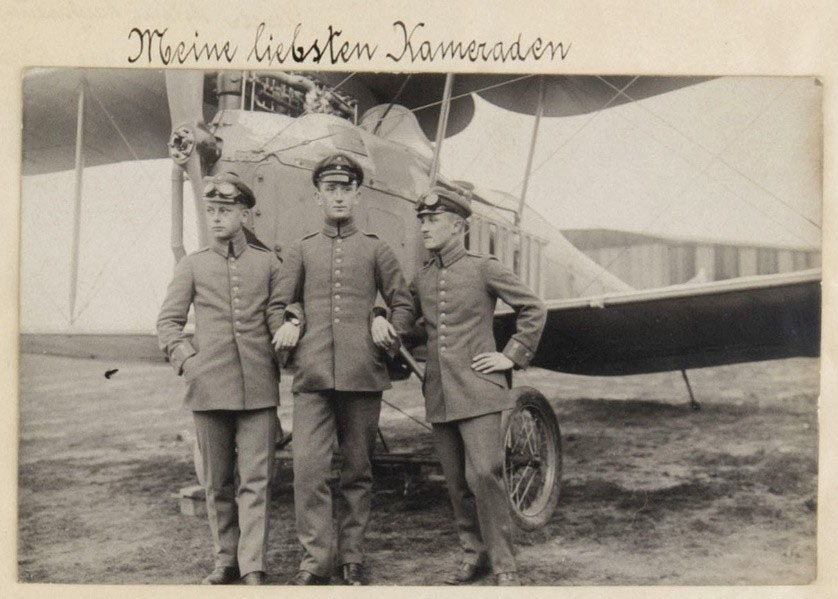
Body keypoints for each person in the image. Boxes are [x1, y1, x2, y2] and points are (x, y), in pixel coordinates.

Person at [272, 153, 413, 585]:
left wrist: (388, 321)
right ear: (318, 196)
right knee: (308, 470)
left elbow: (404, 303)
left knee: (357, 472)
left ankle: (352, 558)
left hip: (362, 375)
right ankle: (315, 561)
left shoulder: (375, 248)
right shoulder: (301, 249)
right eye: (329, 189)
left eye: (345, 188)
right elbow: (277, 305)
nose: (337, 196)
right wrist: (288, 323)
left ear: (357, 193)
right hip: (313, 379)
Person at [157, 172, 296, 585]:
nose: (216, 218)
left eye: (225, 211)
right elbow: (168, 322)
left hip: (258, 389)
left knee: (257, 482)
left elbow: (285, 309)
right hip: (208, 388)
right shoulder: (193, 264)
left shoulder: (269, 263)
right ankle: (225, 561)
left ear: (245, 214)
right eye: (212, 210)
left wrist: (291, 325)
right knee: (216, 483)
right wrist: (188, 362)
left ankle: (252, 565)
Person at [408, 186, 547, 586]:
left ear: (458, 227)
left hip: (480, 389)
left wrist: (512, 355)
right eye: (422, 221)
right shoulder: (423, 276)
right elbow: (410, 320)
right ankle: (475, 556)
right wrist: (383, 320)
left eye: (432, 220)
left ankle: (506, 565)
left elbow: (533, 307)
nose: (425, 228)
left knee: (485, 474)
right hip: (439, 391)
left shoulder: (484, 267)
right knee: (455, 482)